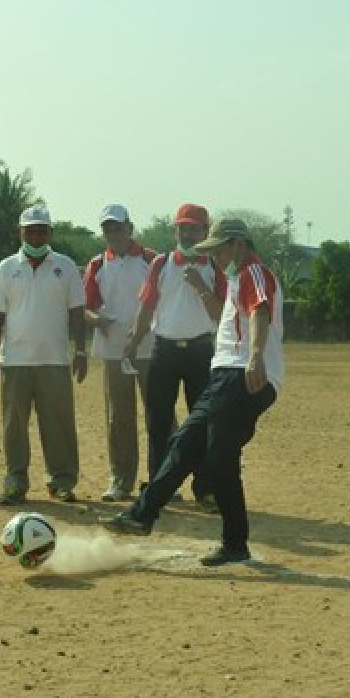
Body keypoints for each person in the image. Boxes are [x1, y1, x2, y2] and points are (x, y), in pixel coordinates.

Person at [101, 218, 283, 566]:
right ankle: (155, 520)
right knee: (204, 451)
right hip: (229, 374)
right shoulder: (234, 278)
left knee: (201, 447)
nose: (214, 257)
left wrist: (255, 357)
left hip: (240, 375)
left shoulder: (253, 273)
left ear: (238, 244)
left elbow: (260, 312)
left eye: (218, 249)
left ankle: (151, 517)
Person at [123, 203, 227, 510]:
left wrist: (200, 285)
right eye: (183, 228)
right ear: (175, 230)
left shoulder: (214, 268)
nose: (188, 234)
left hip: (199, 350)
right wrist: (133, 339)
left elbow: (221, 314)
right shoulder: (161, 263)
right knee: (158, 421)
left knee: (204, 421)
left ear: (206, 232)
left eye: (195, 228)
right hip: (164, 350)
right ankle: (158, 485)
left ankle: (205, 487)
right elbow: (146, 307)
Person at [0, 205, 88, 505]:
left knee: (59, 424)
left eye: (41, 229)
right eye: (30, 230)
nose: (36, 235)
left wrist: (81, 350)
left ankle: (63, 479)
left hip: (55, 359)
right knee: (14, 425)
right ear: (21, 232)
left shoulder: (65, 267)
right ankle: (15, 479)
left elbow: (77, 312)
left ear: (50, 232)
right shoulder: (6, 268)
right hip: (15, 359)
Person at [83, 204, 156, 501]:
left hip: (150, 349)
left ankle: (162, 479)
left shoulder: (152, 260)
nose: (113, 233)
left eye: (118, 227)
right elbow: (85, 306)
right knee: (119, 418)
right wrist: (97, 320)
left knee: (158, 416)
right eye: (108, 229)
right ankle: (121, 480)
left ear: (130, 228)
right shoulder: (98, 264)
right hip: (114, 351)